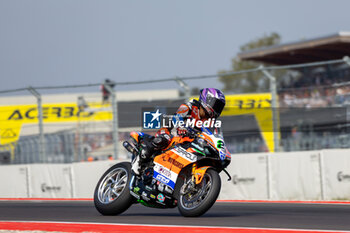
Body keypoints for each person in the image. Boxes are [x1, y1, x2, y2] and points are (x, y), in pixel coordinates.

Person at [131, 88, 226, 175]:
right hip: (172, 133)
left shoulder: (211, 122)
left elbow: (216, 137)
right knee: (163, 139)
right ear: (207, 99)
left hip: (189, 143)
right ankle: (140, 160)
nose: (217, 109)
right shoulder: (190, 107)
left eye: (220, 107)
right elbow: (176, 118)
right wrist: (183, 127)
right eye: (216, 104)